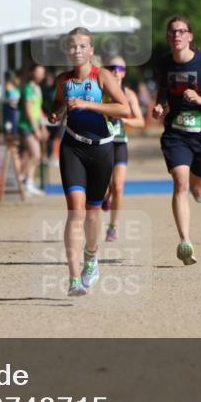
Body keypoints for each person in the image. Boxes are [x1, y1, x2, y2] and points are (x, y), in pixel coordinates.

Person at [48, 28, 130, 297]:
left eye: (83, 46)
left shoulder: (102, 76)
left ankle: (91, 257)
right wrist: (56, 113)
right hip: (72, 147)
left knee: (93, 214)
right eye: (72, 46)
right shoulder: (63, 80)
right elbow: (59, 104)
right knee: (75, 211)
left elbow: (124, 109)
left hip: (102, 150)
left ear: (91, 51)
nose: (77, 50)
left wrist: (88, 105)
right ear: (68, 51)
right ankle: (73, 278)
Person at [152, 16, 201, 265]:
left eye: (181, 31)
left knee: (197, 188)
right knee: (180, 183)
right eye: (172, 32)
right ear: (168, 37)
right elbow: (164, 90)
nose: (176, 35)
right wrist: (159, 105)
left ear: (190, 36)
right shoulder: (164, 64)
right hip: (176, 134)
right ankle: (185, 241)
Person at [101, 55, 146, 242]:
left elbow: (141, 121)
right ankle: (105, 196)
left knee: (118, 186)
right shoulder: (99, 91)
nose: (115, 71)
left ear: (124, 72)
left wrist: (124, 118)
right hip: (101, 142)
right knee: (104, 188)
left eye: (119, 68)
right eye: (111, 67)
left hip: (119, 142)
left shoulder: (128, 94)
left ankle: (113, 227)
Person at [18, 64, 47, 196]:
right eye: (38, 72)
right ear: (32, 72)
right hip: (27, 126)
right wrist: (36, 129)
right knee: (35, 154)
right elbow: (29, 109)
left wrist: (43, 127)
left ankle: (28, 182)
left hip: (34, 126)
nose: (41, 75)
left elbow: (38, 109)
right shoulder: (28, 88)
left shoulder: (37, 88)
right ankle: (21, 179)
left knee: (30, 155)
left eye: (43, 72)